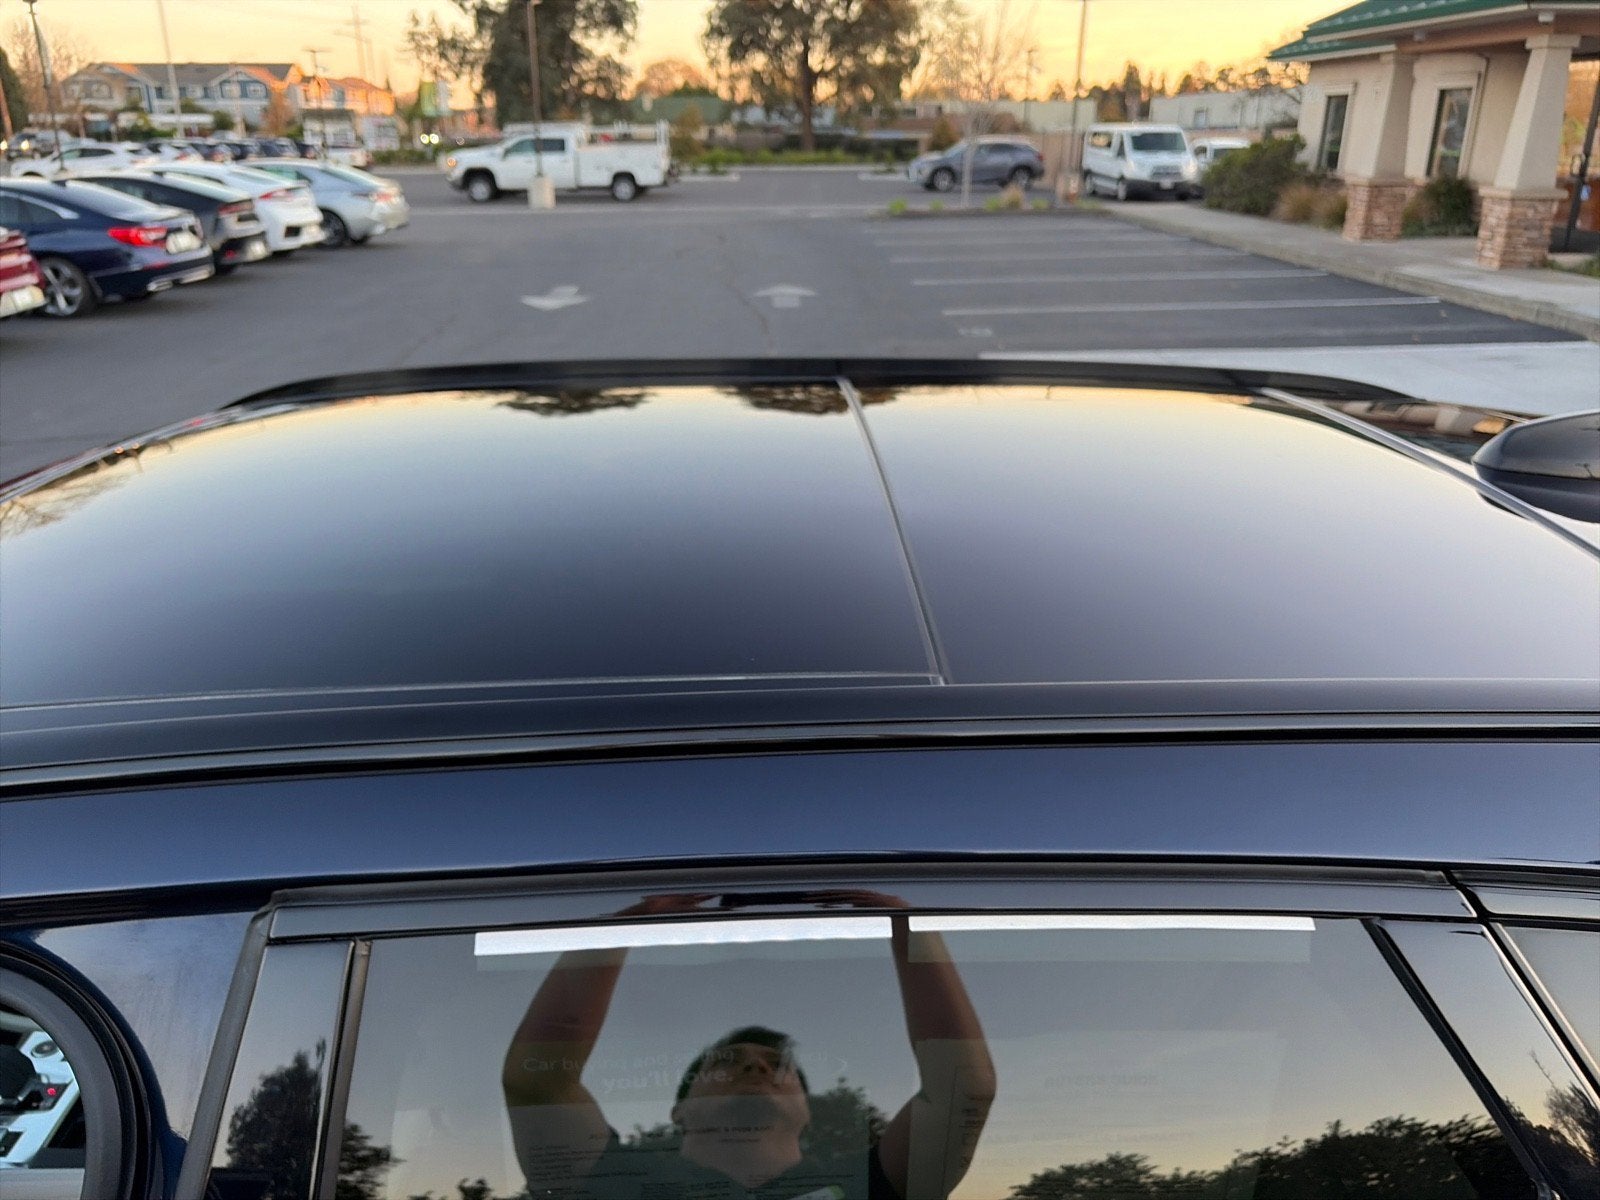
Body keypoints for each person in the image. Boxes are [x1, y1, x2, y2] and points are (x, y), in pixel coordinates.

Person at [502, 890, 996, 1200]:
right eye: (728, 1062)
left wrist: (907, 926)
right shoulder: (614, 1182)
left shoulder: (866, 1184)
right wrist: (625, 924)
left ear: (806, 1110)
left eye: (777, 1065)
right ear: (679, 1112)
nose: (757, 1068)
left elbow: (964, 1090)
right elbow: (538, 1081)